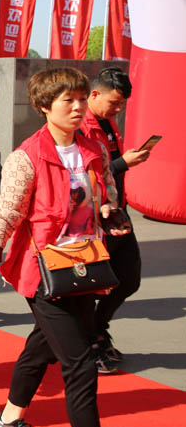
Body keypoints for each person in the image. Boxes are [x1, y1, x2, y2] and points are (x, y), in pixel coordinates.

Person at [0, 67, 127, 427]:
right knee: (81, 365)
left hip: (85, 265)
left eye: (81, 99)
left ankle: (8, 422)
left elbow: (105, 192)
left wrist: (108, 210)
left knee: (41, 347)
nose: (78, 108)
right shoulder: (27, 157)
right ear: (44, 105)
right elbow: (5, 216)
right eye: (67, 100)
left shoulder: (93, 149)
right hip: (43, 272)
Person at [81, 67, 148, 370]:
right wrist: (123, 163)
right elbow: (89, 171)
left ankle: (97, 328)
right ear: (94, 94)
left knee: (129, 278)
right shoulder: (80, 125)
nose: (118, 109)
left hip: (117, 212)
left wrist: (123, 163)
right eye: (114, 102)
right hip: (91, 217)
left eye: (122, 104)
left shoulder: (107, 122)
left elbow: (108, 169)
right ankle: (89, 342)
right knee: (87, 285)